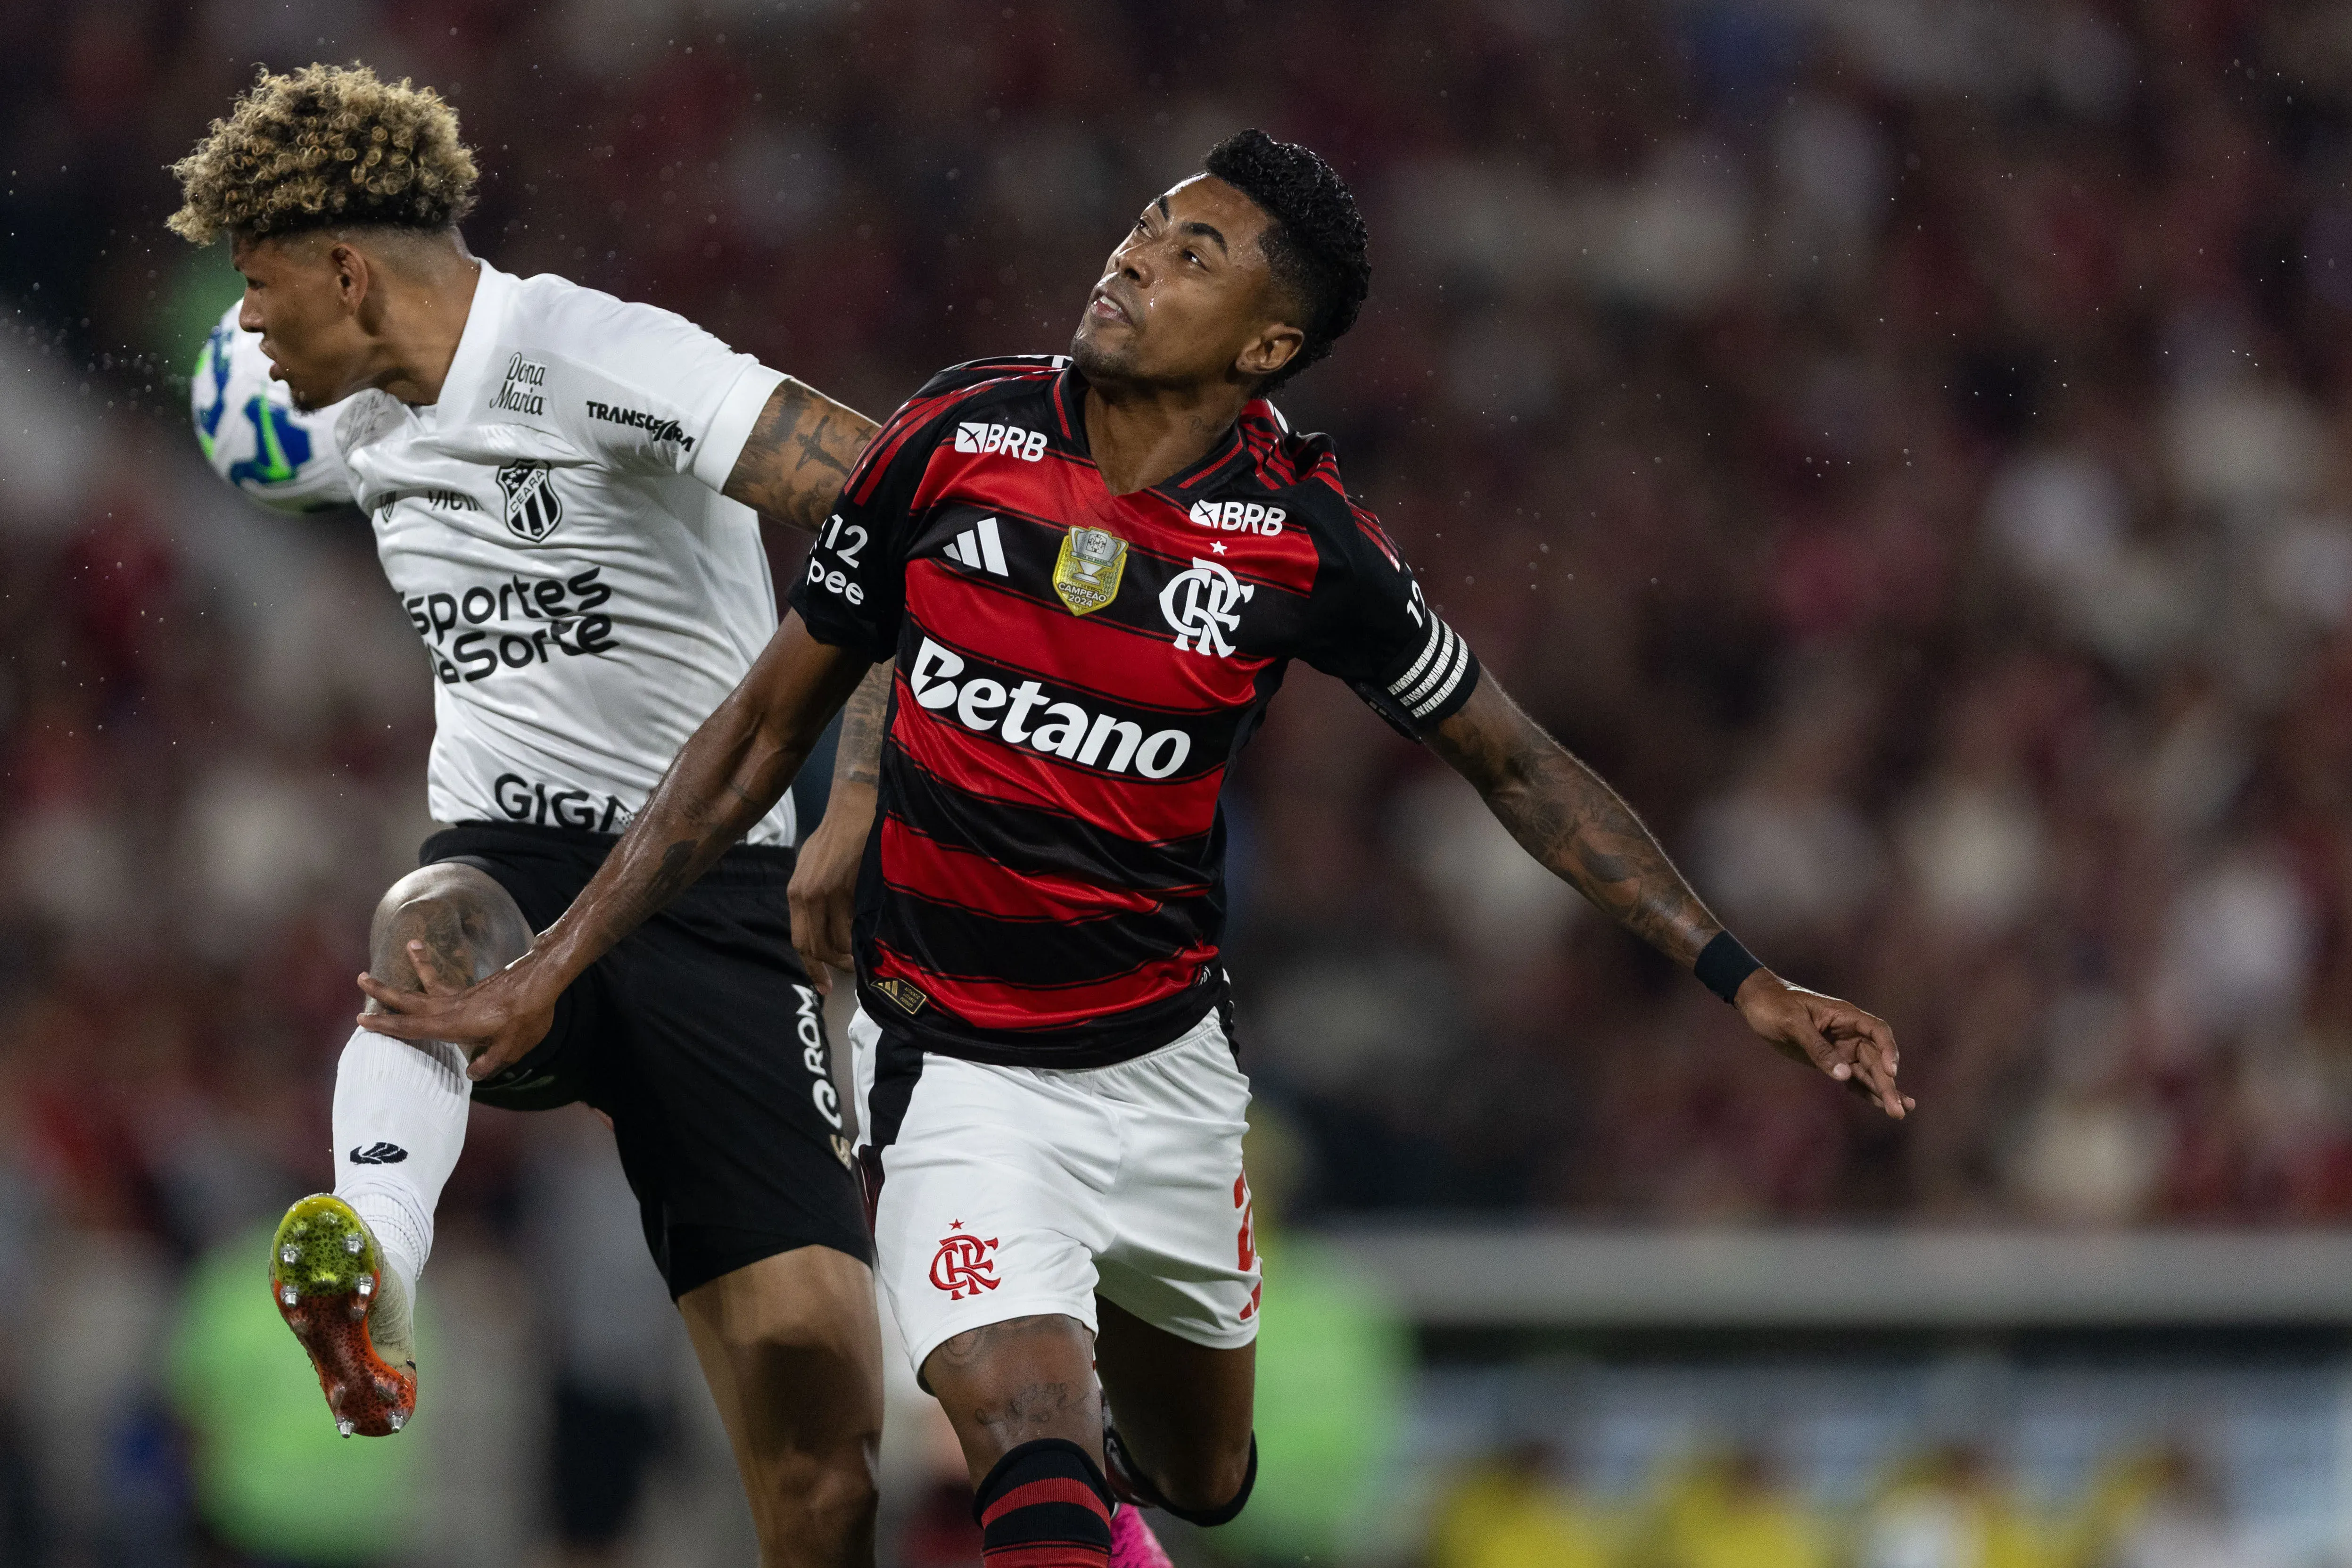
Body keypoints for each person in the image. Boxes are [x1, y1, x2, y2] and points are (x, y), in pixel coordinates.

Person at [360, 129, 1911, 1568]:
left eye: (1192, 254)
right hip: (952, 1071)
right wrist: (558, 961)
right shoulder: (950, 439)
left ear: (1265, 347)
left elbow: (1513, 763)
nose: (1133, 257)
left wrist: (1742, 977)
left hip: (1162, 1072)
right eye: (1147, 227)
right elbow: (760, 728)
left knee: (1197, 1469)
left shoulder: (1304, 539)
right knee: (1022, 1427)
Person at [168, 63, 895, 1567]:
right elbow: (249, 420)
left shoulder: (599, 356)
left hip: (718, 885)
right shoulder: (352, 412)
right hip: (514, 856)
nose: (245, 321)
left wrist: (854, 804)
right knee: (429, 926)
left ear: (349, 271)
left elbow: (896, 505)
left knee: (821, 1449)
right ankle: (373, 1271)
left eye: (258, 284)